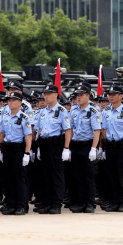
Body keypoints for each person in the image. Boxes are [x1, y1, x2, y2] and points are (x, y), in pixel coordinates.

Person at [34, 84, 72, 215]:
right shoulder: (43, 111)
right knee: (44, 176)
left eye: (48, 94)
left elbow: (67, 130)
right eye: (45, 94)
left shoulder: (61, 111)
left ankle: (56, 204)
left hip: (55, 145)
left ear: (56, 94)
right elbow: (39, 130)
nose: (46, 96)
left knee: (56, 176)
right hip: (44, 144)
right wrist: (38, 147)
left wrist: (66, 148)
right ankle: (46, 203)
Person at [101, 85, 123, 212]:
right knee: (111, 176)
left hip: (121, 146)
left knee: (122, 175)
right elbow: (103, 130)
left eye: (113, 94)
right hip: (110, 146)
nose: (110, 96)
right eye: (109, 94)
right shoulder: (106, 111)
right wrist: (103, 148)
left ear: (120, 96)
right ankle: (113, 202)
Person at [68, 85, 102, 213]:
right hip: (76, 144)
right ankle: (79, 202)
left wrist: (94, 148)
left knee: (88, 176)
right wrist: (69, 147)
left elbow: (97, 131)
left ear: (88, 96)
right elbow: (70, 129)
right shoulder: (74, 110)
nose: (79, 97)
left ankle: (89, 203)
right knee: (77, 176)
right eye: (77, 95)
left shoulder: (93, 110)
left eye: (82, 95)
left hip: (88, 145)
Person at [0, 92, 32, 215]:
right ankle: (11, 204)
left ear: (20, 103)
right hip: (7, 148)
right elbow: (2, 134)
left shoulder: (24, 117)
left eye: (13, 100)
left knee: (19, 178)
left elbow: (28, 136)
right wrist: (0, 149)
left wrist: (27, 153)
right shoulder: (5, 117)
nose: (10, 103)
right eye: (9, 100)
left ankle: (21, 205)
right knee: (8, 178)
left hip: (18, 149)